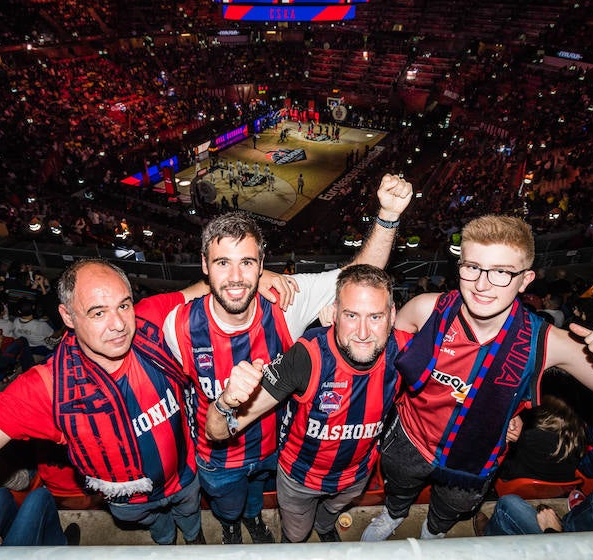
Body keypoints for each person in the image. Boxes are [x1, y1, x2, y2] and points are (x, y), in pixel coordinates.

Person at [360, 214, 593, 541]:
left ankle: (433, 531)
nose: (482, 284)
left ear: (525, 280)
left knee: (449, 510)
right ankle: (394, 514)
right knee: (399, 488)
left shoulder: (549, 342)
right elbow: (382, 367)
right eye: (472, 267)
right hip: (408, 439)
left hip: (473, 459)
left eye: (502, 272)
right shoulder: (424, 308)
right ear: (459, 267)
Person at [148, 174, 412, 544]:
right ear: (205, 267)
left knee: (255, 501)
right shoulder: (176, 326)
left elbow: (355, 280)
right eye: (223, 262)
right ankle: (228, 526)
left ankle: (253, 521)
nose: (237, 277)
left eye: (247, 263)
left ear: (261, 265)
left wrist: (387, 216)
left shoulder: (286, 305)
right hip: (216, 455)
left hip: (272, 449)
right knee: (226, 505)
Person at [0, 259, 205, 545]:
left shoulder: (150, 318)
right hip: (130, 501)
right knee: (161, 531)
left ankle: (193, 541)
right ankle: (167, 544)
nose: (119, 324)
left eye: (123, 306)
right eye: (98, 312)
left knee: (192, 522)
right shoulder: (46, 388)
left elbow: (214, 286)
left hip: (187, 476)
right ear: (67, 315)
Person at [205, 265, 410, 542]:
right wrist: (226, 402)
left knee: (328, 517)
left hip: (355, 477)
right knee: (297, 536)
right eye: (351, 315)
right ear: (334, 311)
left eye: (375, 316)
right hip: (300, 480)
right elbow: (218, 431)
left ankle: (325, 527)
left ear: (392, 315)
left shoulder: (403, 351)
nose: (363, 332)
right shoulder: (307, 357)